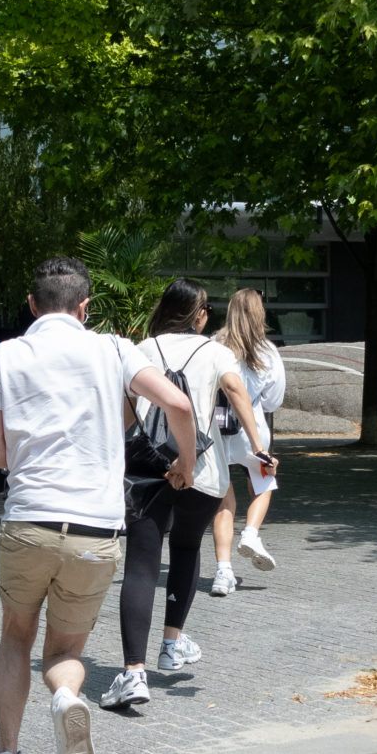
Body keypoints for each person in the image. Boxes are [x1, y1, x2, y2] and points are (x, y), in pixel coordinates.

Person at [0, 256, 198, 754]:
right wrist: (186, 464)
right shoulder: (114, 350)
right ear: (85, 307)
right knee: (66, 648)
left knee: (16, 637)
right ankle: (66, 699)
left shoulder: (6, 355)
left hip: (29, 520)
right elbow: (177, 402)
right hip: (96, 529)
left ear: (32, 305)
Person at [102, 278, 276, 711]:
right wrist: (258, 447)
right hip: (203, 469)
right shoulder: (215, 352)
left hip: (149, 469)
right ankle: (171, 644)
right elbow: (236, 392)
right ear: (198, 315)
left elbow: (126, 411)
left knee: (142, 564)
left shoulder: (142, 349)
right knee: (185, 549)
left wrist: (111, 455)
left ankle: (134, 671)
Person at [209, 286, 287, 594]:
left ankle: (223, 572)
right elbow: (273, 401)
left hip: (216, 432)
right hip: (252, 434)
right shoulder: (267, 351)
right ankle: (251, 533)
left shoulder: (213, 345)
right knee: (264, 484)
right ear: (259, 314)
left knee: (223, 503)